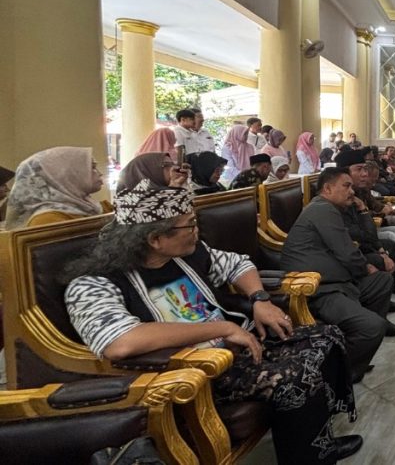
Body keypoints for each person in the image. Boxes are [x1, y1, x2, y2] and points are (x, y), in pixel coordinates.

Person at [63, 180, 363, 463]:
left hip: (235, 346)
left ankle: (315, 441)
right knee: (296, 376)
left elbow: (238, 264)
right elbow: (120, 342)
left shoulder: (188, 254)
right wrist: (222, 328)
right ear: (155, 239)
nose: (196, 230)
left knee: (325, 336)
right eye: (189, 225)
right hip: (191, 369)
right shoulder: (92, 284)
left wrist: (260, 299)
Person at [280, 167, 395, 378]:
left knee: (382, 281)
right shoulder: (322, 209)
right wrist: (366, 266)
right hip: (320, 290)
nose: (352, 191)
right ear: (327, 188)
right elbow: (347, 253)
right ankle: (339, 376)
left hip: (341, 282)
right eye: (346, 185)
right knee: (372, 327)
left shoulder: (331, 209)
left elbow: (349, 246)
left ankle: (354, 358)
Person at [337, 149, 395, 288]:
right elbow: (352, 225)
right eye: (359, 169)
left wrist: (383, 209)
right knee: (393, 233)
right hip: (356, 237)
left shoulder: (359, 188)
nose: (365, 174)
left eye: (365, 169)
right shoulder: (339, 194)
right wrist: (379, 214)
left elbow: (371, 204)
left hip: (365, 229)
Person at [4, 147, 106, 229]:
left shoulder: (88, 206)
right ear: (65, 174)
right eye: (92, 167)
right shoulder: (47, 220)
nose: (100, 173)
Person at [117, 152, 191, 193]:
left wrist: (175, 186)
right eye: (167, 165)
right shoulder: (133, 205)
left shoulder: (163, 196)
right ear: (149, 171)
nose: (174, 168)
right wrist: (173, 189)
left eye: (173, 164)